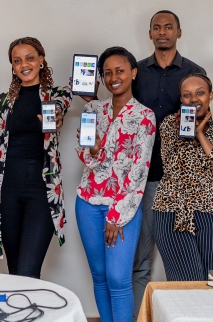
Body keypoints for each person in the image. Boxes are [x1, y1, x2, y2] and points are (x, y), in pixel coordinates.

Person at [131, 10, 205, 314]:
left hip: (182, 179)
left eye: (169, 27)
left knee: (184, 258)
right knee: (140, 260)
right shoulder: (135, 71)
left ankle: (186, 317)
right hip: (144, 175)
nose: (163, 32)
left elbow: (203, 115)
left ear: (179, 32)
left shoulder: (194, 71)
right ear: (150, 34)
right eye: (157, 27)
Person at [76, 46, 156, 322]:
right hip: (86, 201)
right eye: (107, 73)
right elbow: (85, 156)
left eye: (119, 71)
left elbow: (139, 172)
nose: (113, 77)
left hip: (122, 208)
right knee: (99, 276)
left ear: (133, 73)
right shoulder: (92, 109)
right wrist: (93, 151)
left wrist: (116, 216)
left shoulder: (145, 116)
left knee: (118, 279)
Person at [0, 37, 72, 278]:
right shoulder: (3, 102)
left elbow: (60, 109)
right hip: (7, 191)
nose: (24, 65)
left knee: (28, 271)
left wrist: (56, 119)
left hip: (41, 192)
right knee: (14, 271)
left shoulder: (58, 95)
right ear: (12, 66)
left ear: (41, 60)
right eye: (17, 61)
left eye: (30, 58)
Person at [152, 73, 213, 281]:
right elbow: (173, 163)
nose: (194, 99)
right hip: (172, 211)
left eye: (200, 93)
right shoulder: (169, 126)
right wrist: (190, 128)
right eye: (187, 95)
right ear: (181, 100)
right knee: (185, 283)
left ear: (210, 96)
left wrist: (201, 134)